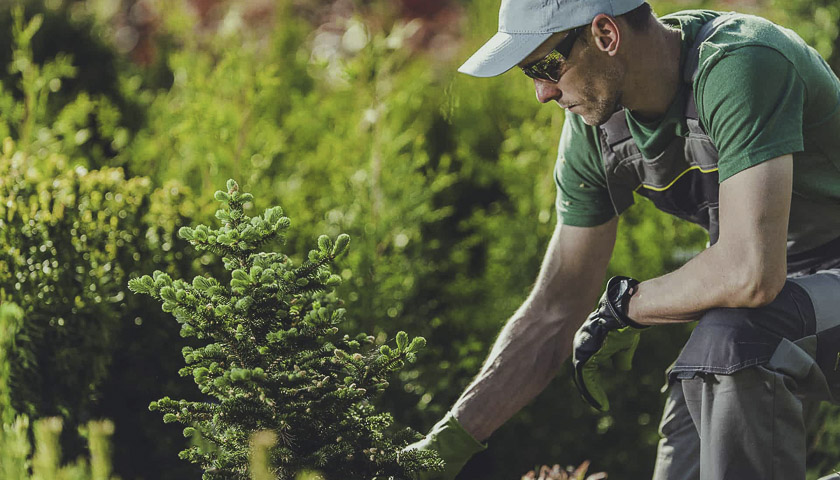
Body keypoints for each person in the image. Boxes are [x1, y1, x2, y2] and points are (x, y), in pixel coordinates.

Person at [406, 0, 840, 479]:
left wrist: (626, 306)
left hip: (802, 282)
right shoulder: (596, 133)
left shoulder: (740, 63)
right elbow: (555, 308)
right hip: (791, 296)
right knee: (698, 392)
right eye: (527, 74)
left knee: (732, 346)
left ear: (606, 35)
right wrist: (439, 449)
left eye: (546, 65)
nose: (541, 92)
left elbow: (750, 273)